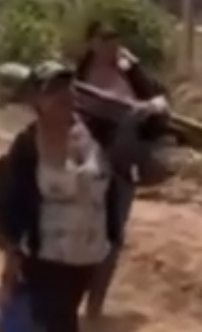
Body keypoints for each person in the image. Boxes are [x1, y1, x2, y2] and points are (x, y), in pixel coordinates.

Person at [0, 61, 152, 332]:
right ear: (36, 100)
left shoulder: (95, 136)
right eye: (53, 91)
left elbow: (118, 180)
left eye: (67, 88)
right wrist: (10, 272)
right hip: (46, 262)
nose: (63, 95)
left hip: (86, 260)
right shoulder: (27, 148)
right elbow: (10, 208)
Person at [74, 20, 170, 321]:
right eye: (105, 39)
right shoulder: (80, 74)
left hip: (122, 166)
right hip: (84, 164)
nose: (111, 45)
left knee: (111, 239)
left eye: (115, 39)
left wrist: (148, 108)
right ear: (91, 42)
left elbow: (160, 102)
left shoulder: (131, 72)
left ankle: (95, 309)